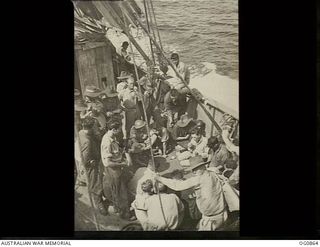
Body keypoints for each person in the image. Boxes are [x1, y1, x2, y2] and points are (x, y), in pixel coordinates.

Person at [154, 155, 228, 231]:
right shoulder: (213, 173)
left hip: (211, 218)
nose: (194, 172)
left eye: (196, 169)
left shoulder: (199, 179)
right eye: (193, 169)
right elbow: (214, 170)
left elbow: (177, 185)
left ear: (203, 166)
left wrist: (159, 178)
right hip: (222, 212)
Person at [100, 121, 135, 220]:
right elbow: (108, 163)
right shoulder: (107, 142)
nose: (120, 130)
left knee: (115, 190)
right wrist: (123, 163)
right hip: (114, 170)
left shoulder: (112, 137)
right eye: (119, 128)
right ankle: (125, 214)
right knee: (121, 192)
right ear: (114, 129)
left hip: (116, 167)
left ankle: (117, 208)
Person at [77, 116, 108, 216]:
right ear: (91, 127)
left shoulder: (81, 132)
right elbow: (85, 158)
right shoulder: (87, 141)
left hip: (94, 160)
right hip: (91, 165)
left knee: (97, 181)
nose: (96, 128)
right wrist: (90, 162)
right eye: (95, 126)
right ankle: (99, 202)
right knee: (95, 183)